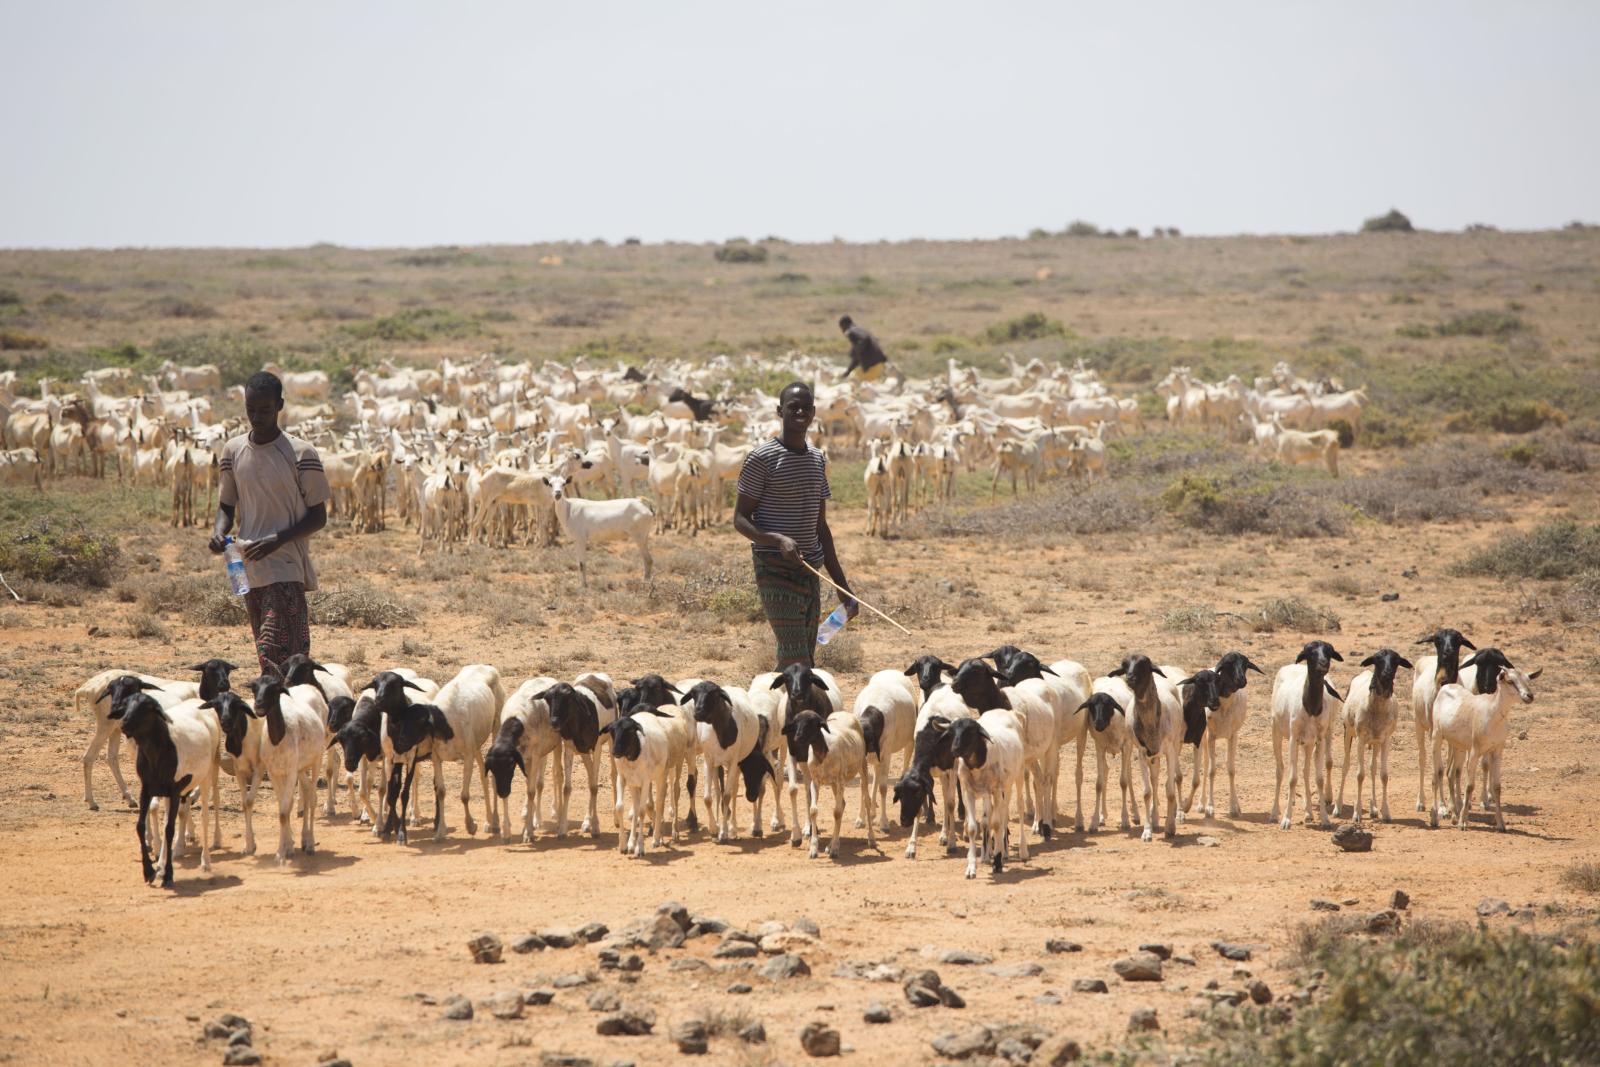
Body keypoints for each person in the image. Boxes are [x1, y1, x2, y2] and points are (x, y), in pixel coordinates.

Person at [209, 370, 330, 675]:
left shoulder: (301, 453)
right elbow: (226, 506)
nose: (257, 416)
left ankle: (288, 708)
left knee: (277, 650)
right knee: (265, 650)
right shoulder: (233, 451)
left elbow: (319, 516)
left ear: (280, 406)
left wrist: (277, 539)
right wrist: (218, 531)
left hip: (285, 564)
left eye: (264, 410)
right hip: (245, 565)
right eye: (251, 409)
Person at [734, 382, 858, 669]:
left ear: (814, 412)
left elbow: (821, 528)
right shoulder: (761, 459)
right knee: (796, 660)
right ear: (780, 411)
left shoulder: (816, 460)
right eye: (793, 407)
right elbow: (740, 519)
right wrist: (777, 539)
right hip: (775, 568)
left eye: (806, 407)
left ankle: (780, 704)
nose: (800, 411)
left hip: (810, 570)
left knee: (807, 656)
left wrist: (844, 589)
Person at [837, 314, 889, 382]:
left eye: (842, 328)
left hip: (873, 369)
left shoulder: (851, 332)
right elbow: (857, 357)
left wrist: (856, 351)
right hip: (880, 366)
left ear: (844, 325)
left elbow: (863, 341)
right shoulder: (861, 330)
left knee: (852, 382)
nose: (842, 331)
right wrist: (848, 372)